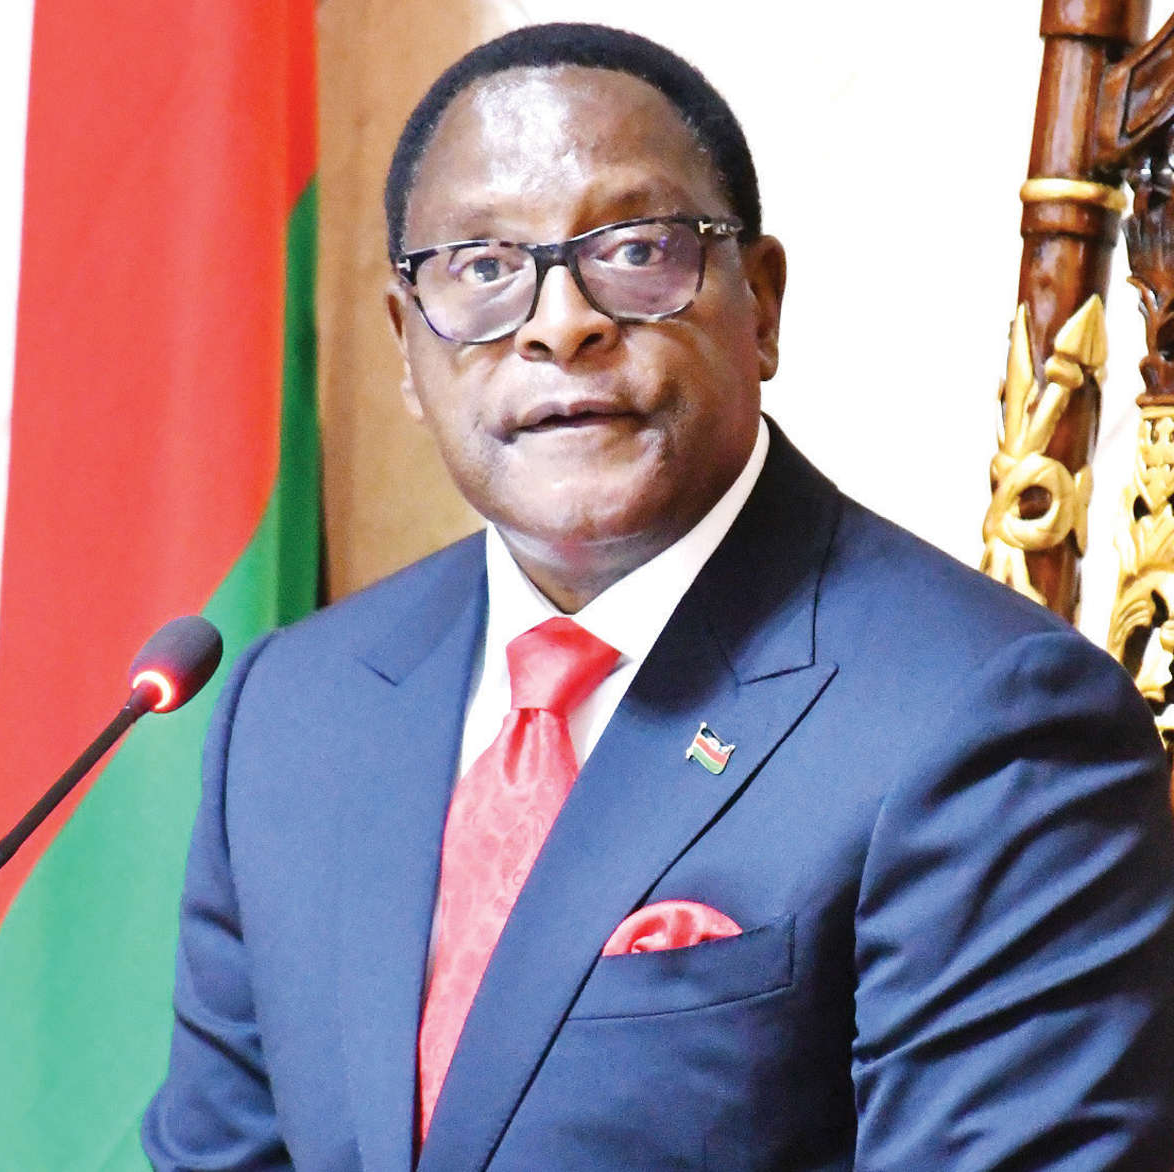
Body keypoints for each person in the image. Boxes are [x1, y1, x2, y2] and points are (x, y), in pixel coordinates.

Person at [143, 22, 1174, 1172]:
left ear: (761, 305)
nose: (559, 323)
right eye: (482, 268)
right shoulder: (294, 706)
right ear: (406, 345)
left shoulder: (993, 719)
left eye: (635, 249)